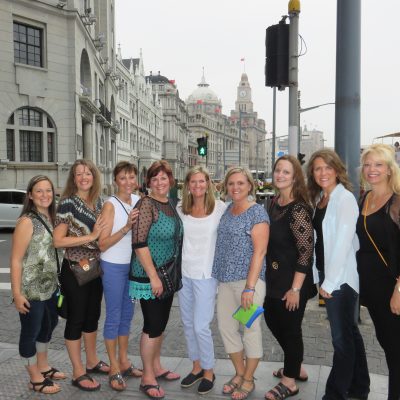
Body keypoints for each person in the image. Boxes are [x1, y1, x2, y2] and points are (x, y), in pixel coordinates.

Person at [307, 149, 370, 400]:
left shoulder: (344, 199)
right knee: (350, 332)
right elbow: (319, 240)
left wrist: (330, 282)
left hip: (341, 279)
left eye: (327, 167)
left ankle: (335, 393)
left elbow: (343, 242)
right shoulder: (321, 198)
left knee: (341, 340)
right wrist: (320, 275)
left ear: (337, 170)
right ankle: (359, 387)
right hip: (329, 274)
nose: (323, 173)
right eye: (317, 168)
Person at [212, 166, 269, 400]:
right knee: (226, 329)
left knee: (250, 330)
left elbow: (260, 252)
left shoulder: (257, 213)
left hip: (249, 284)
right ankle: (239, 372)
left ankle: (248, 379)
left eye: (240, 183)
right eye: (231, 183)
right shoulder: (227, 209)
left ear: (250, 186)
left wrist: (250, 288)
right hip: (226, 282)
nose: (235, 187)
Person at [53, 159, 109, 391]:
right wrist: (91, 236)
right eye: (79, 174)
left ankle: (92, 361)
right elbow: (58, 241)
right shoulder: (67, 203)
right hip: (75, 269)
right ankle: (78, 372)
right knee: (76, 318)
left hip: (95, 268)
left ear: (94, 177)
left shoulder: (99, 202)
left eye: (88, 173)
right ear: (73, 179)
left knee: (92, 316)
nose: (84, 177)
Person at [129, 160, 183, 400]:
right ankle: (147, 377)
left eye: (164, 178)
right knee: (152, 326)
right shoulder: (146, 204)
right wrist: (153, 277)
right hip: (149, 275)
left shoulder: (169, 203)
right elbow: (139, 243)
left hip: (166, 274)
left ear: (170, 180)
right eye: (155, 178)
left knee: (160, 324)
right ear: (148, 182)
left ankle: (157, 366)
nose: (160, 182)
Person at [264, 156, 316, 400]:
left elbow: (306, 253)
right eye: (278, 170)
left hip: (293, 281)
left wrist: (295, 289)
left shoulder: (298, 209)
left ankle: (289, 381)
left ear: (295, 177)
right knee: (272, 320)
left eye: (286, 172)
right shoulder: (275, 203)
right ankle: (295, 366)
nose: (280, 175)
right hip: (275, 277)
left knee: (291, 328)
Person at [10, 175, 65, 394]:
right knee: (31, 332)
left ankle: (43, 366)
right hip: (31, 290)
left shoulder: (52, 218)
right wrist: (17, 293)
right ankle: (34, 378)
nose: (45, 195)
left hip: (50, 287)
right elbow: (15, 260)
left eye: (48, 190)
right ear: (30, 196)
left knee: (48, 326)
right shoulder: (27, 221)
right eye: (39, 191)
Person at [176, 166, 226, 395]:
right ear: (187, 185)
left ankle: (209, 370)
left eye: (201, 181)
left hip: (206, 275)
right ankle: (196, 366)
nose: (197, 186)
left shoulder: (220, 208)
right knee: (188, 324)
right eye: (193, 182)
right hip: (185, 273)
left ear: (208, 184)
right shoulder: (181, 208)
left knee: (200, 326)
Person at [357, 144, 400, 400]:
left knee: (396, 350)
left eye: (378, 164)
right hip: (372, 289)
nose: (372, 169)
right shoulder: (365, 198)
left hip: (392, 287)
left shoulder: (397, 201)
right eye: (367, 164)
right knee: (387, 343)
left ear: (389, 169)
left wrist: (399, 290)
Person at [98, 161, 142, 391]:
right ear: (115, 180)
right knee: (114, 316)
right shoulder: (110, 205)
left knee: (127, 315)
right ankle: (113, 366)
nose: (128, 182)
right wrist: (125, 228)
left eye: (131, 177)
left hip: (132, 267)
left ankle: (124, 361)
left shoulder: (138, 200)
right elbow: (102, 244)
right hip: (113, 265)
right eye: (123, 178)